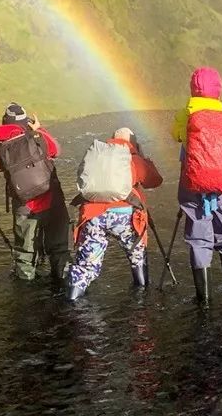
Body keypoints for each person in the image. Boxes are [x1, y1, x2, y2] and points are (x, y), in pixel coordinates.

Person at [172, 67, 222, 305]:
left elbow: (176, 136)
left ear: (193, 88)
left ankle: (203, 299)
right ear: (218, 89)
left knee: (199, 234)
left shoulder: (186, 113)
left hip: (194, 183)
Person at [68, 128, 164, 300]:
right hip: (125, 216)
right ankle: (142, 299)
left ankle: (72, 301)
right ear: (133, 142)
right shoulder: (133, 158)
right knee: (137, 255)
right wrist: (143, 158)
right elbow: (155, 181)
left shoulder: (97, 155)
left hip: (92, 215)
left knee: (85, 265)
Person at [0, 103, 68, 284]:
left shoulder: (0, 146)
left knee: (25, 252)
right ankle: (63, 286)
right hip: (52, 200)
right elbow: (56, 150)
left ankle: (26, 293)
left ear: (5, 122)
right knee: (59, 248)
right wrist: (39, 129)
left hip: (24, 203)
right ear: (26, 121)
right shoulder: (37, 136)